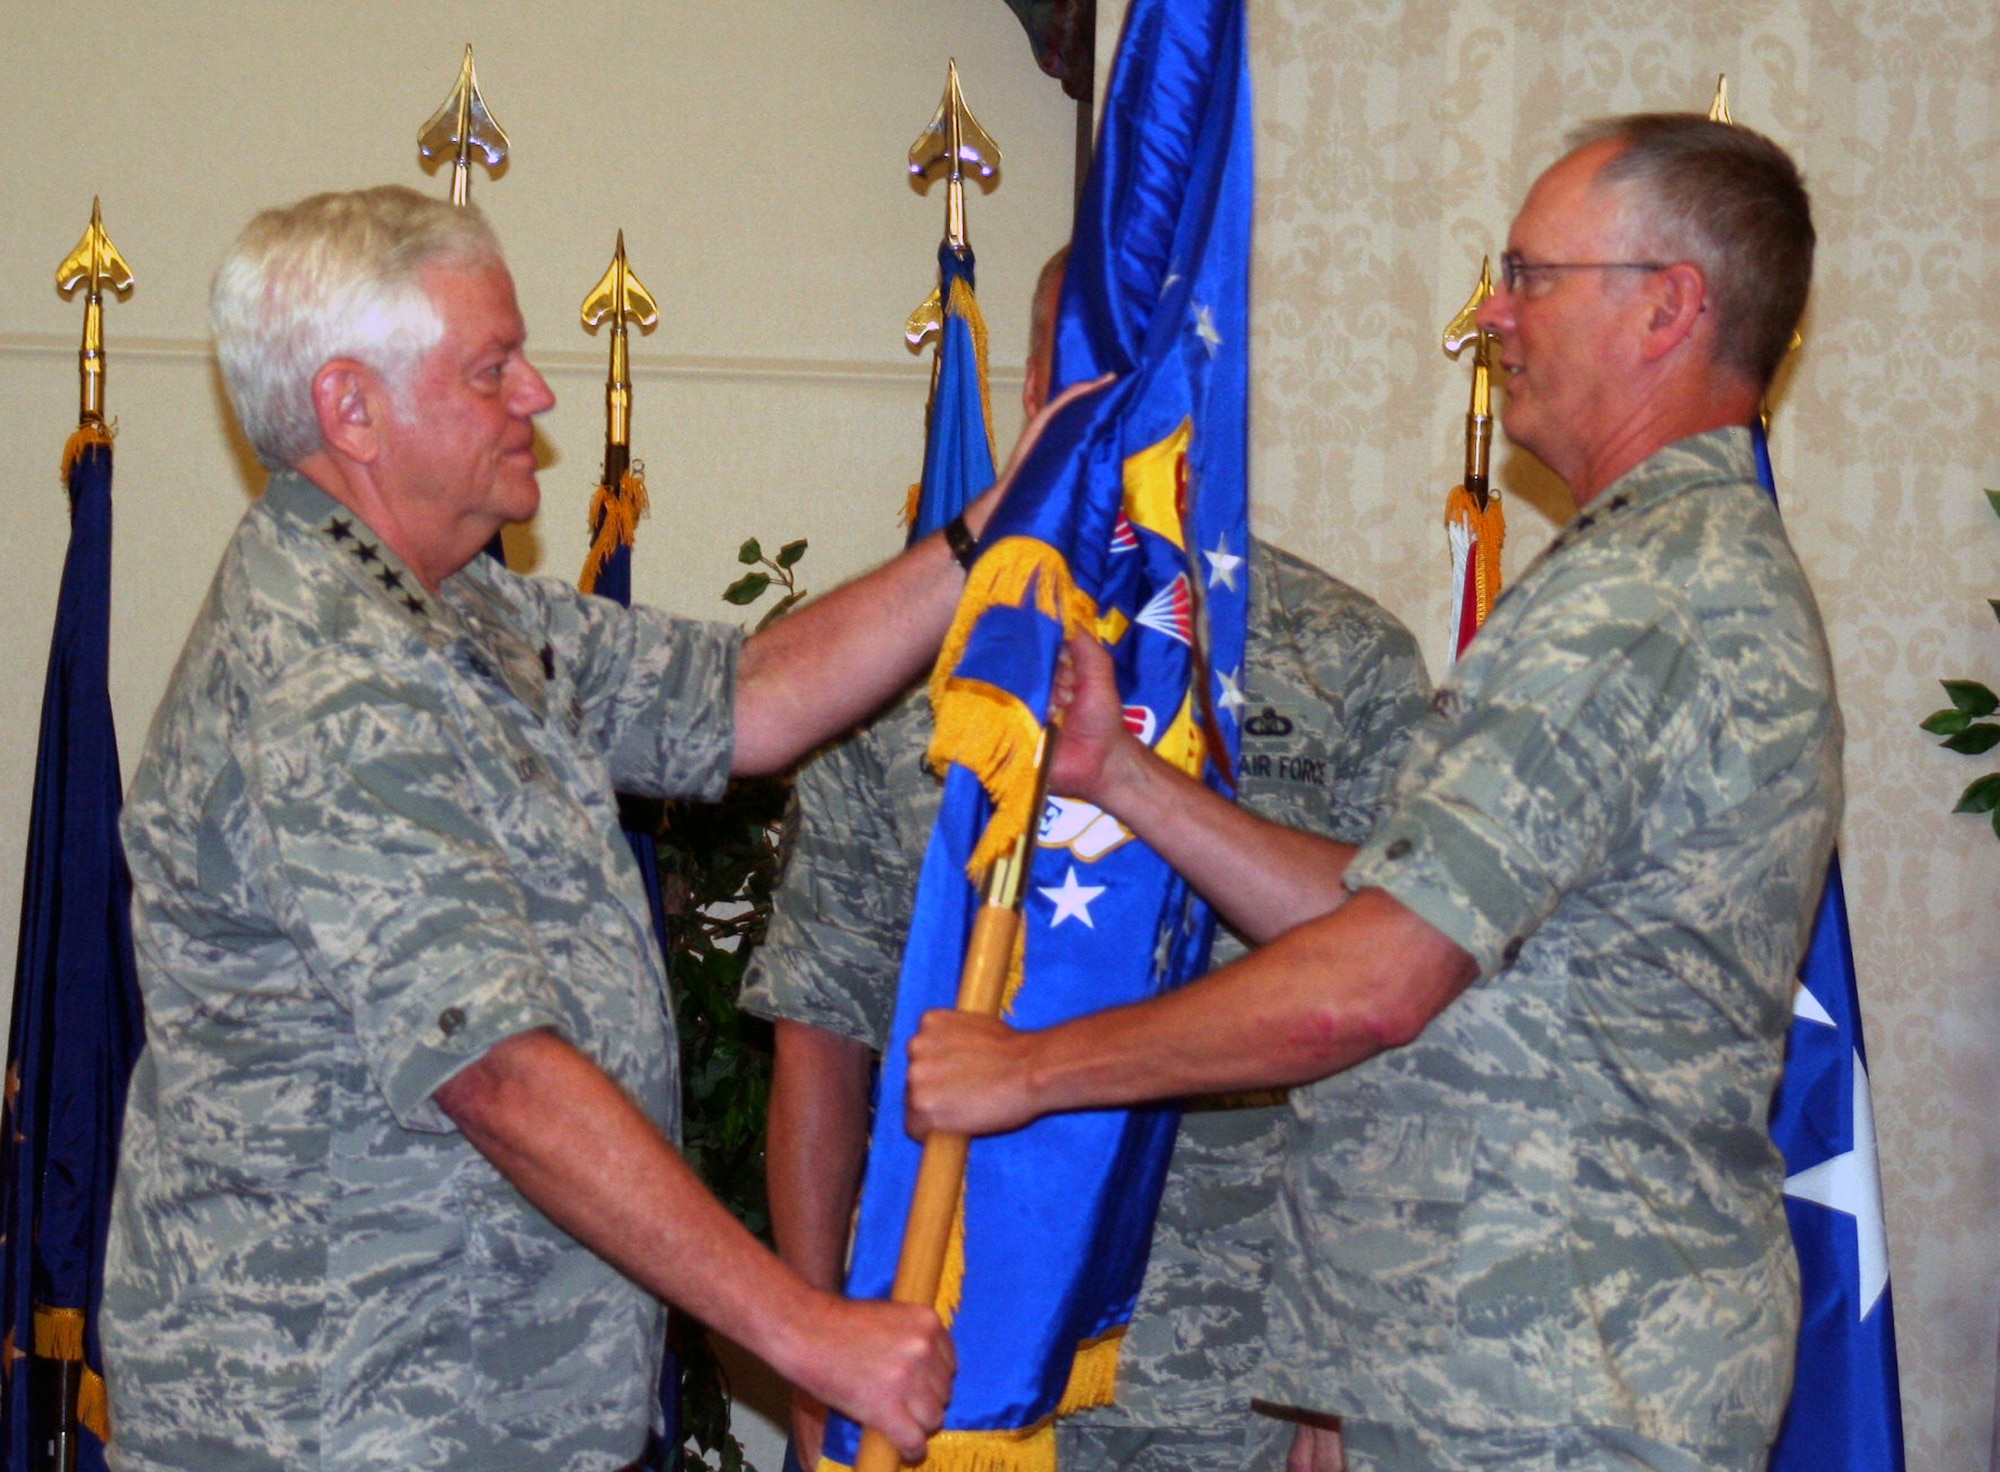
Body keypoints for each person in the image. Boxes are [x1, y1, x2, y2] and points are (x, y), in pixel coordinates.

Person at [103, 185, 1091, 1472]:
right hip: (338, 1421)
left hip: (487, 1414)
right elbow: (501, 1073)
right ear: (351, 407)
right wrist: (804, 1329)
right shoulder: (323, 675)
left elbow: (750, 700)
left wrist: (995, 521)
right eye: (490, 368)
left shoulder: (458, 608)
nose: (539, 397)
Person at [907, 114, 1840, 1472]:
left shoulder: (1648, 596)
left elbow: (1376, 981)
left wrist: (1036, 1070)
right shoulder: (1654, 568)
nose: (1490, 315)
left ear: (1667, 309)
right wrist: (1120, 777)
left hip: (1562, 1384)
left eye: (1528, 275)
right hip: (1504, 1367)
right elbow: (1399, 912)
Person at [740, 247, 1431, 1472]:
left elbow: (1396, 1029)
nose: (1114, 401)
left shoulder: (1337, 661)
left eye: (1150, 370)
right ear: (1032, 383)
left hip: (1242, 1372)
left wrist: (1339, 1366)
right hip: (947, 1334)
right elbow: (820, 1033)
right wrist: (812, 1335)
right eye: (1080, 367)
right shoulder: (902, 667)